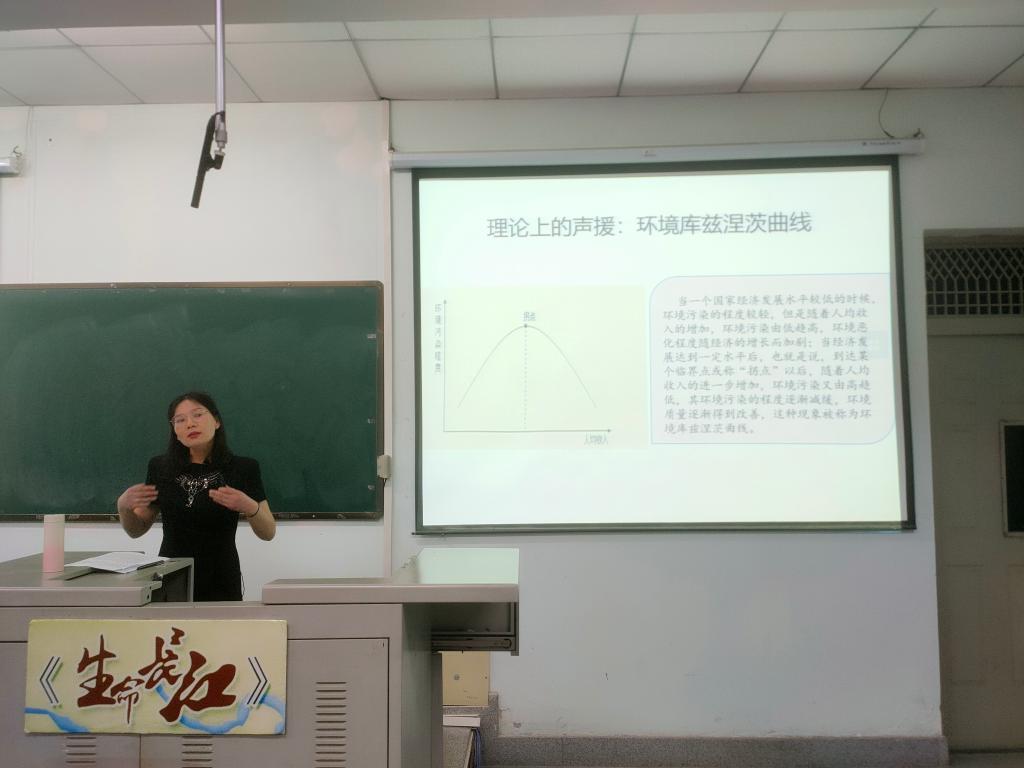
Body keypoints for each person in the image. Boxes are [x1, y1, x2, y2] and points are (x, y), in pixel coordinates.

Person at [117, 391, 275, 601]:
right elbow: (136, 530)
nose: (190, 424)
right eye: (180, 420)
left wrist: (249, 506)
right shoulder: (160, 467)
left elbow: (268, 532)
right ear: (175, 431)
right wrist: (123, 507)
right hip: (172, 576)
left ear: (216, 421)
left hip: (221, 578)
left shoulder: (242, 468)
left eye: (198, 415)